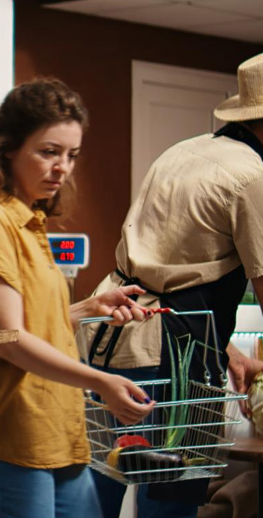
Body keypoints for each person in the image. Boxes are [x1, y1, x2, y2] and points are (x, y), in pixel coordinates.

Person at [84, 51, 263, 518]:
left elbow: (165, 271)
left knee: (100, 488)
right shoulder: (253, 177)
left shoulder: (181, 151)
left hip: (116, 340)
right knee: (170, 505)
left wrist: (230, 353)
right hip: (177, 359)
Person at [0, 78, 155, 518]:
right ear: (8, 147)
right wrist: (101, 381)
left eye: (71, 155)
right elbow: (7, 339)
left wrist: (89, 308)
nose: (62, 168)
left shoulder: (33, 221)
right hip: (17, 435)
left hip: (62, 431)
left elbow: (33, 323)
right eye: (49, 152)